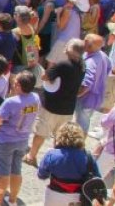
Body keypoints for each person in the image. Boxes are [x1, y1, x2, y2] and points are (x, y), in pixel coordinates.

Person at [25, 38, 85, 166]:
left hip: (52, 105)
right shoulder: (82, 67)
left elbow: (45, 76)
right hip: (68, 108)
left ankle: (31, 156)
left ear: (70, 50)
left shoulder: (63, 65)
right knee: (60, 137)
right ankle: (57, 162)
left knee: (41, 132)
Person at [0, 70, 40, 206]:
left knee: (3, 173)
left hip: (6, 140)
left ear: (18, 85)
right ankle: (12, 200)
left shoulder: (11, 102)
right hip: (23, 140)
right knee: (16, 170)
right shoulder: (35, 98)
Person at [35, 122, 99, 206]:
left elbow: (41, 175)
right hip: (78, 199)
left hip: (54, 196)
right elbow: (97, 179)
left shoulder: (51, 154)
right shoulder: (88, 157)